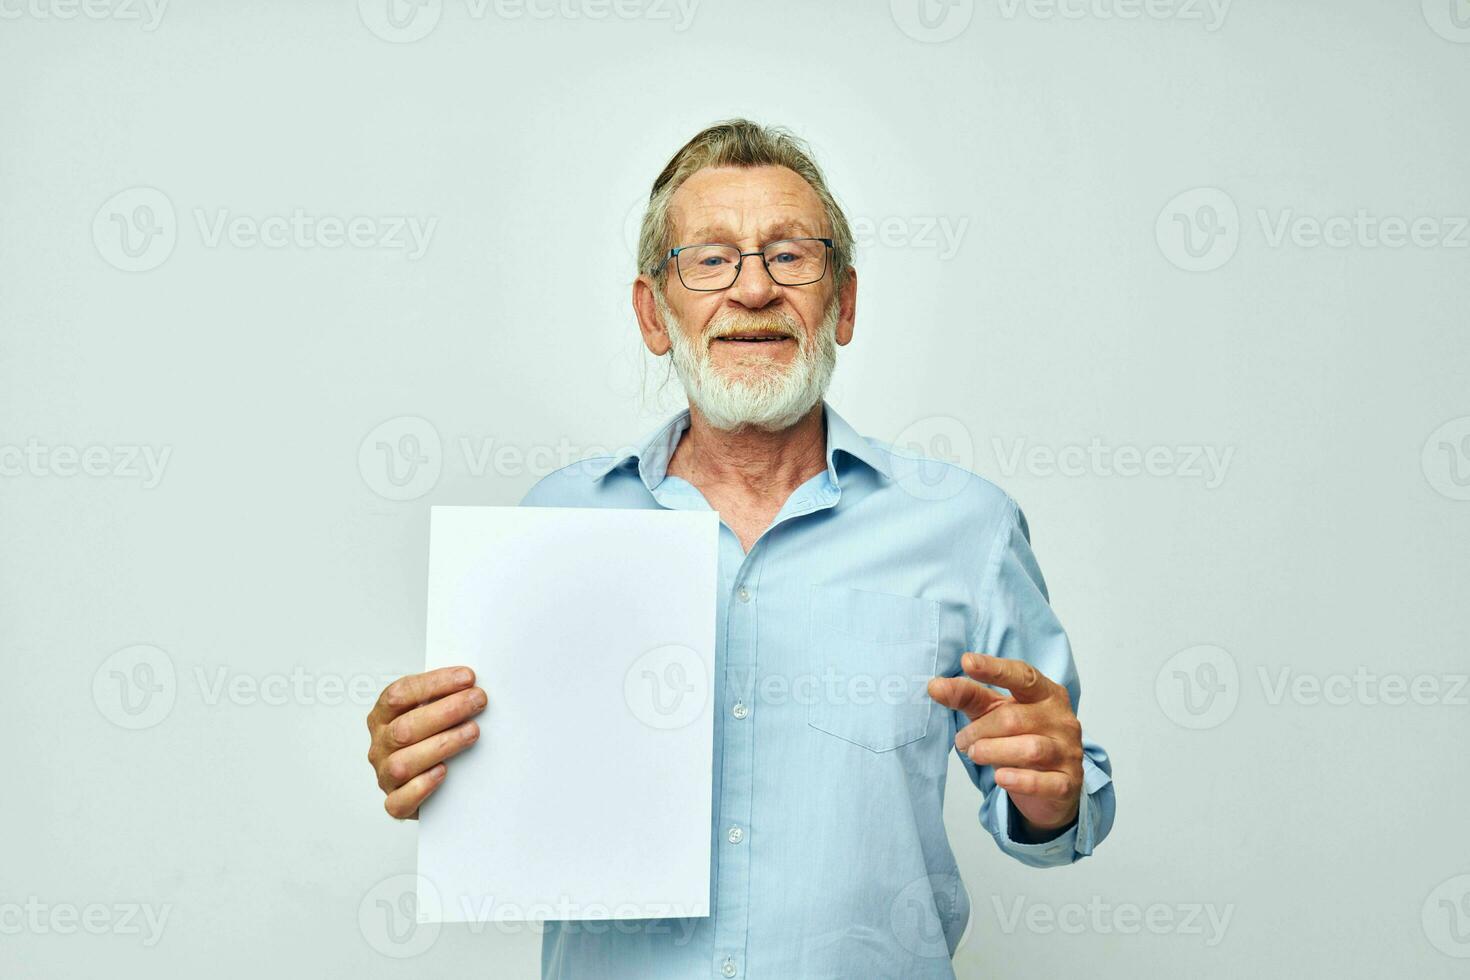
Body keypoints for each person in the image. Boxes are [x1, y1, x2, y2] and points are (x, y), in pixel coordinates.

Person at [365, 118, 1116, 978]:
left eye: (791, 256)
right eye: (711, 259)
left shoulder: (965, 528)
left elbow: (1065, 806)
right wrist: (424, 759)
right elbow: (491, 783)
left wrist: (1055, 799)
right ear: (654, 312)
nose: (753, 290)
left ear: (845, 303)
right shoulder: (557, 522)